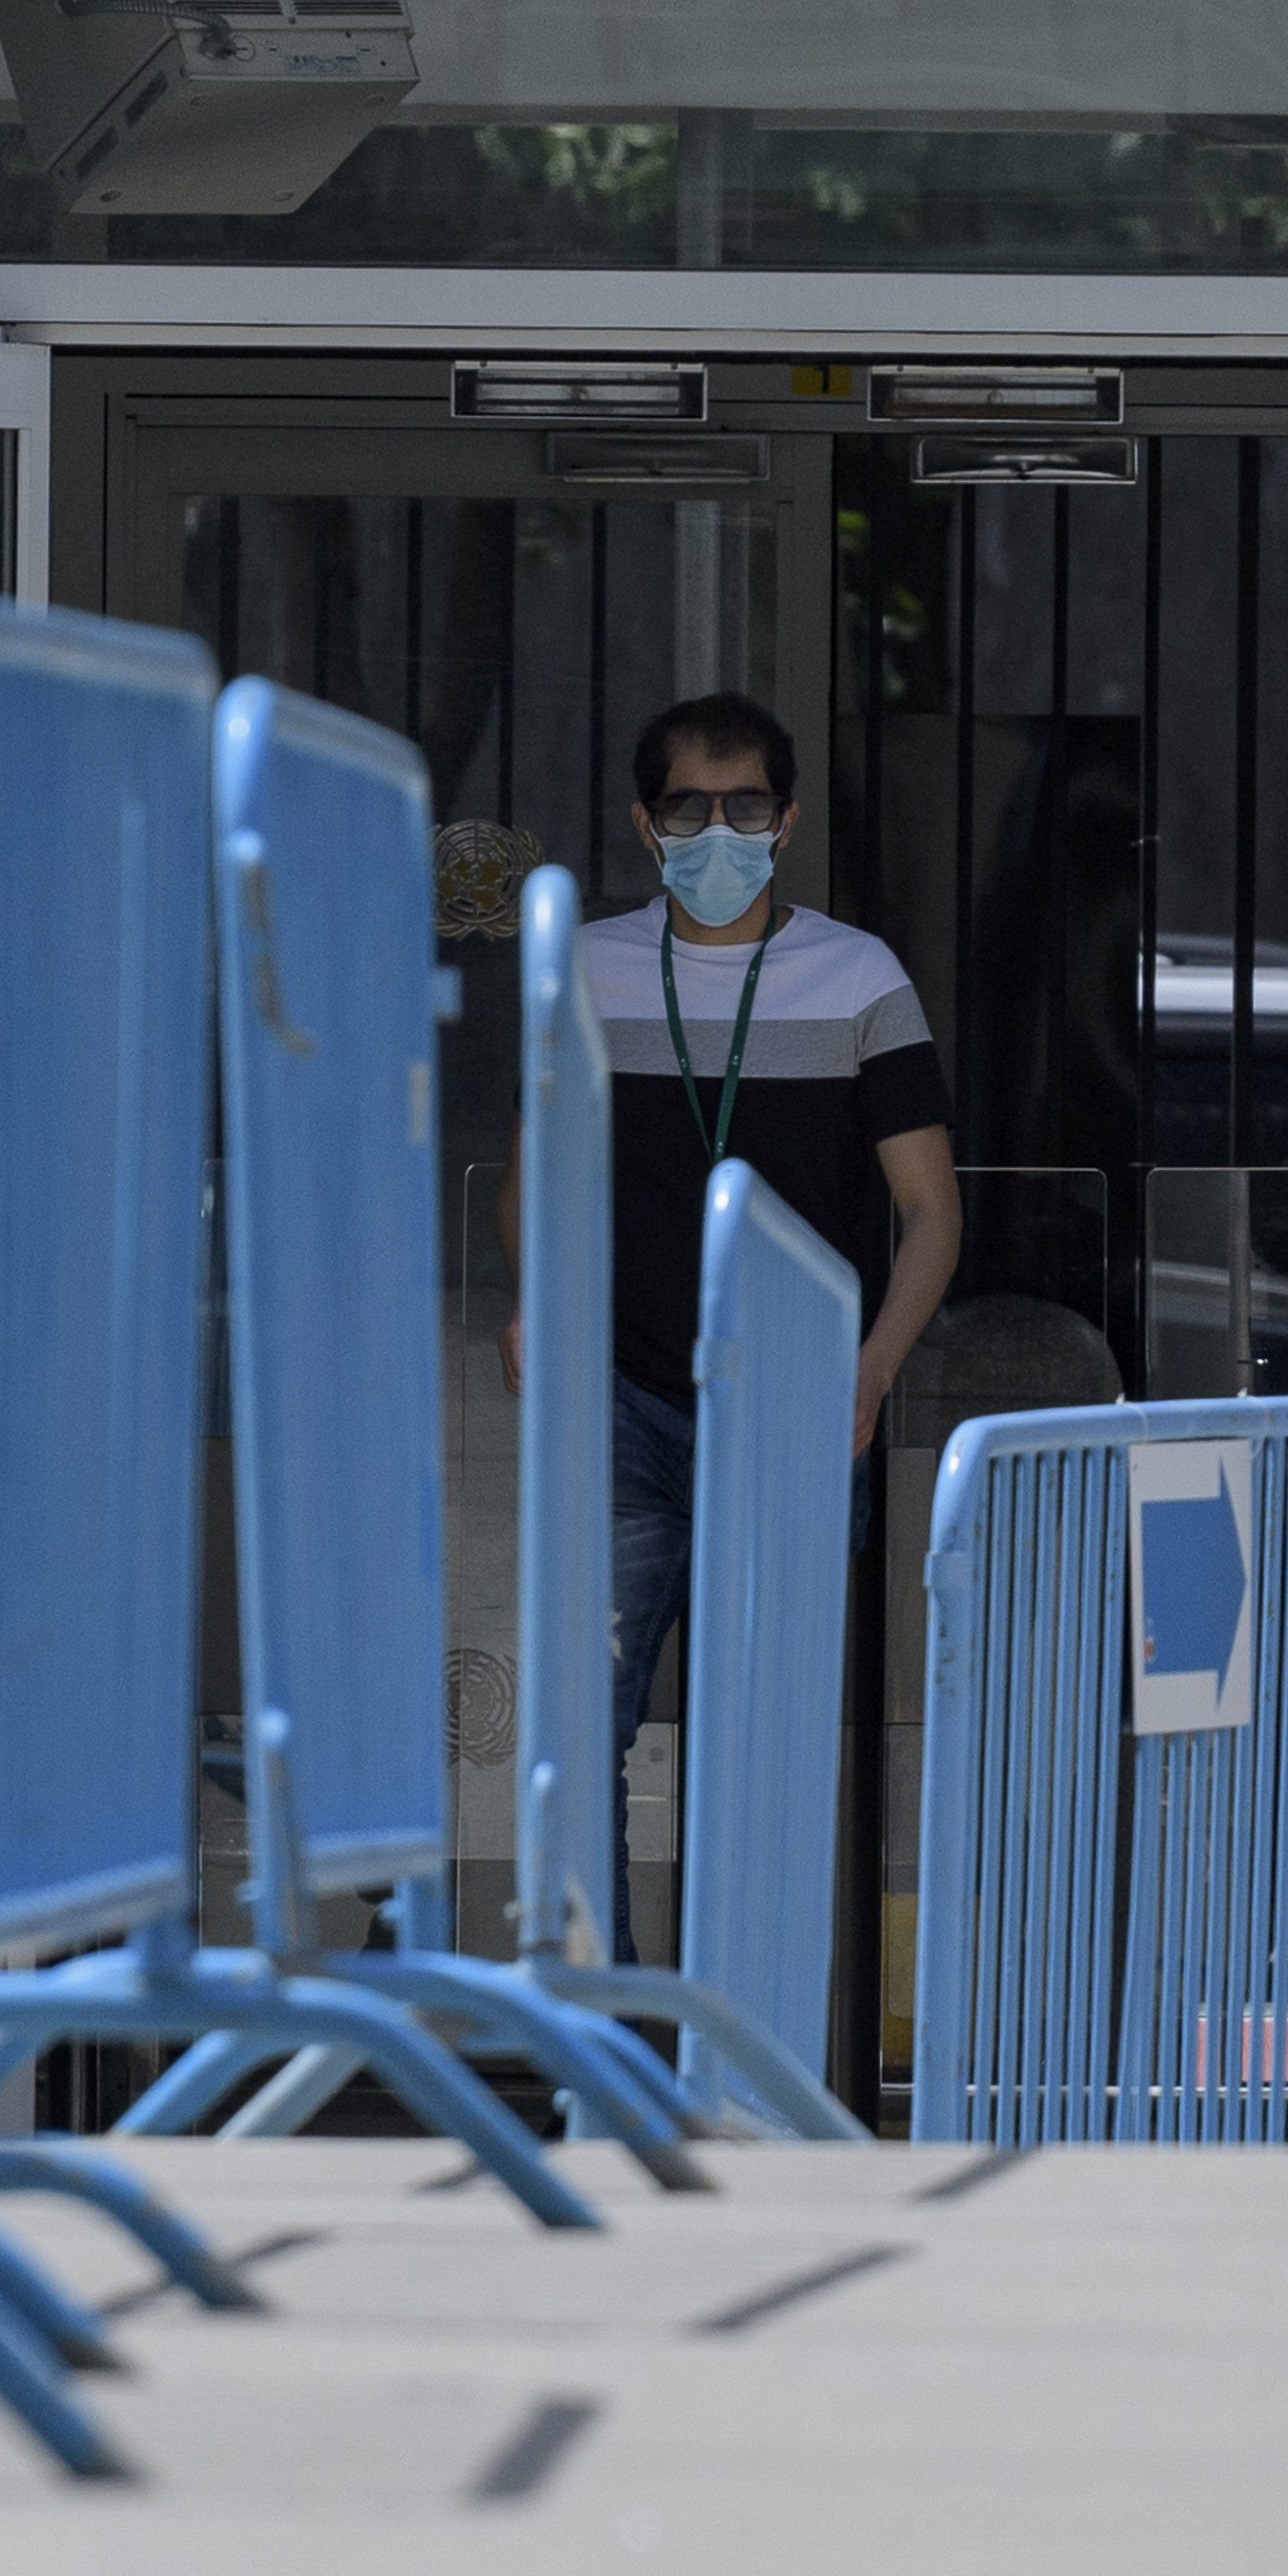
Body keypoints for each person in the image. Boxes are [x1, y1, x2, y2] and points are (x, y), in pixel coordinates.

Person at [507, 696, 960, 1939]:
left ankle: (736, 2051)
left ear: (789, 817)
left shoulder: (861, 977)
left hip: (794, 1412)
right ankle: (597, 2040)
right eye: (693, 809)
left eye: (746, 806)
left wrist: (867, 1374)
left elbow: (931, 1213)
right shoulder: (586, 966)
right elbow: (527, 1179)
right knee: (574, 1728)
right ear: (646, 826)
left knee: (760, 1740)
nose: (722, 831)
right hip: (618, 1401)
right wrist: (534, 1303)